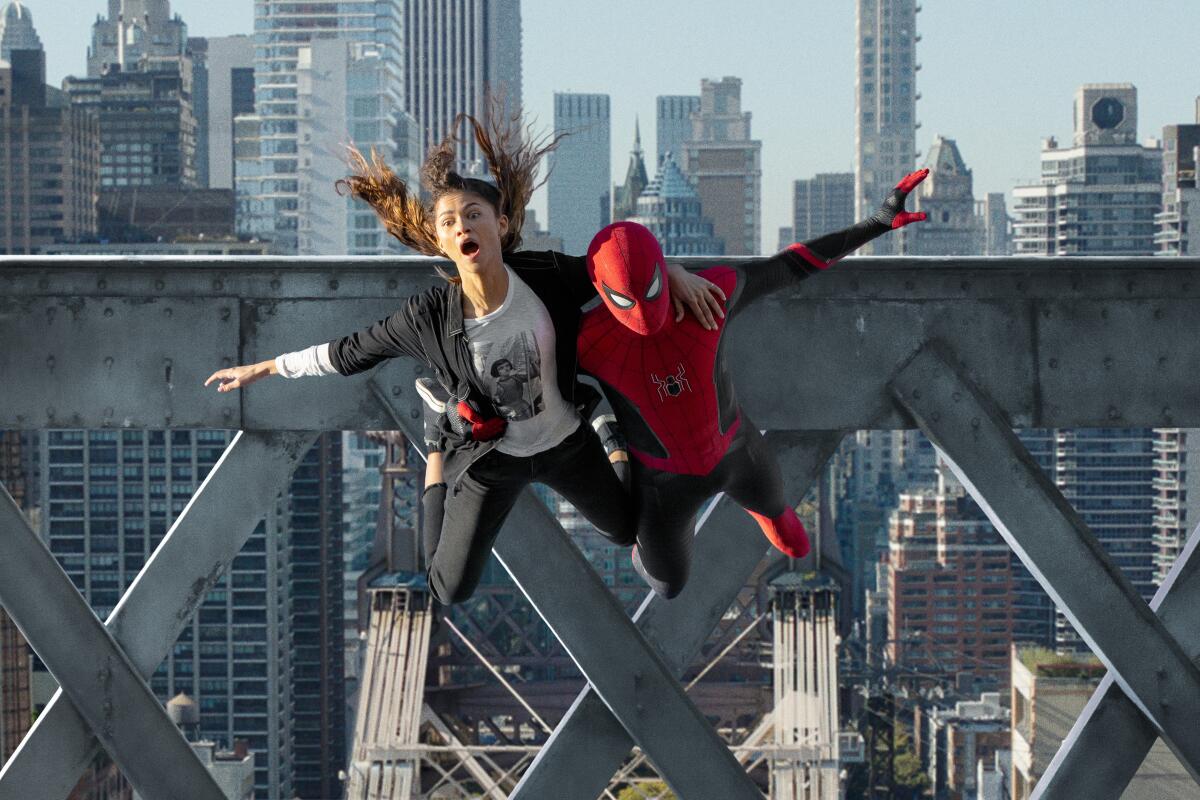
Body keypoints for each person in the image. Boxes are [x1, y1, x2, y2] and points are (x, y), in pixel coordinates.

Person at [203, 112, 722, 605]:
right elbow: (351, 352)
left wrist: (671, 273)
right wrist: (268, 367)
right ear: (441, 239)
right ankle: (434, 443)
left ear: (499, 223)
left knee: (627, 529)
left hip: (565, 440)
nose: (462, 226)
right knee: (448, 588)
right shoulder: (428, 315)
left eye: (473, 215)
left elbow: (616, 267)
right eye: (449, 221)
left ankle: (604, 425)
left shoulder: (541, 275)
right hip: (490, 458)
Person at [574, 169, 929, 598]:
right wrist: (667, 269)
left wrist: (875, 223)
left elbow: (790, 266)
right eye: (625, 301)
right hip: (664, 484)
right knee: (668, 585)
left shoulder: (709, 296)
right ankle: (665, 523)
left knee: (790, 536)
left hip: (737, 451)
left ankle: (765, 512)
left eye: (650, 291)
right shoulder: (588, 339)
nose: (643, 312)